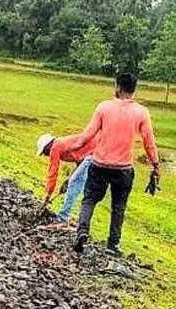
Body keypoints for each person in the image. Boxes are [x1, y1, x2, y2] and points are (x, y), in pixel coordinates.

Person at [68, 73, 160, 254]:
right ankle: (113, 244)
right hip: (123, 168)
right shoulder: (141, 112)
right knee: (119, 206)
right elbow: (149, 142)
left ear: (118, 87)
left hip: (100, 163)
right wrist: (155, 164)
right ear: (134, 89)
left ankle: (82, 231)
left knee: (89, 199)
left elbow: (88, 134)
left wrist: (74, 146)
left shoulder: (104, 107)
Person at [36, 132, 98, 226]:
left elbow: (53, 173)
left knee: (74, 183)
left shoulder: (55, 147)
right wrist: (67, 181)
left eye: (44, 152)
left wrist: (48, 195)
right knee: (76, 183)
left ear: (47, 147)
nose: (46, 155)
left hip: (94, 154)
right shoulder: (61, 143)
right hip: (94, 154)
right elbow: (80, 160)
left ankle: (63, 217)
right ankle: (77, 219)